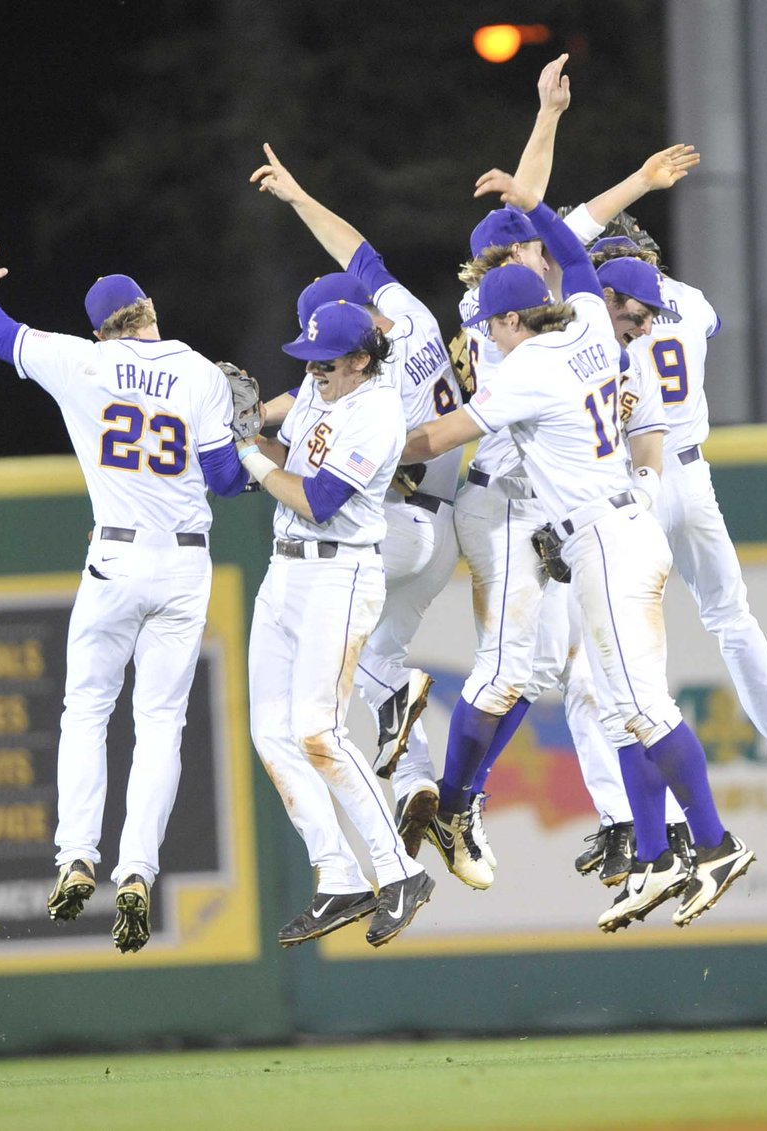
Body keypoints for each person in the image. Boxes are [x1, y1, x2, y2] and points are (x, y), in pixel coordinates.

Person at [401, 169, 755, 931]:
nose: (486, 339)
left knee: (640, 704)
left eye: (490, 328)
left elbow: (440, 436)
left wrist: (366, 457)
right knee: (623, 702)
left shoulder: (529, 366)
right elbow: (575, 251)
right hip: (613, 528)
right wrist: (532, 205)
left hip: (603, 538)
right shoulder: (591, 320)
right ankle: (663, 854)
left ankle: (717, 844)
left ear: (505, 322)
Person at [391, 55, 700, 891]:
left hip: (552, 509)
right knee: (512, 670)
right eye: (516, 247)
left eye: (530, 242)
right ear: (493, 271)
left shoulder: (554, 306)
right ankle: (454, 794)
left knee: (579, 675)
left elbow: (561, 218)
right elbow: (547, 220)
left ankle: (624, 829)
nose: (532, 246)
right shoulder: (499, 310)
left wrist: (555, 125)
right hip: (498, 498)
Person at [0, 242, 250, 954]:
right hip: (183, 566)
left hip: (112, 555)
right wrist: (248, 448)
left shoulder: (81, 361)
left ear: (101, 328)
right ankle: (137, 869)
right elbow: (229, 481)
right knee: (161, 724)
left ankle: (76, 855)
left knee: (86, 709)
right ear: (151, 313)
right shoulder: (200, 372)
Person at [249, 144, 465, 854]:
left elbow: (390, 444)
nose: (314, 367)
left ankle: (399, 708)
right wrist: (299, 197)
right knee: (380, 648)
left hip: (397, 526)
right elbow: (361, 253)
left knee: (344, 650)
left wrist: (253, 433)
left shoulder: (369, 390)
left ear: (346, 348)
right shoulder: (402, 316)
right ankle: (419, 787)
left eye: (318, 355)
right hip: (444, 523)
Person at [585, 229, 767, 836]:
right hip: (692, 478)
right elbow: (710, 324)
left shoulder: (592, 315)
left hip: (628, 484)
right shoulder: (691, 301)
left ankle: (644, 822)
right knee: (732, 619)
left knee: (618, 662)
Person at [235, 298, 435, 949]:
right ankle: (339, 875)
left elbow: (318, 500)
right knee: (271, 731)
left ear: (358, 359)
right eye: (310, 360)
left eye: (326, 361)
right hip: (284, 571)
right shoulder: (320, 393)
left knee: (317, 730)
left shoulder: (377, 411)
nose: (314, 369)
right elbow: (281, 457)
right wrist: (234, 439)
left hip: (339, 575)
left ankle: (401, 871)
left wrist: (252, 457)